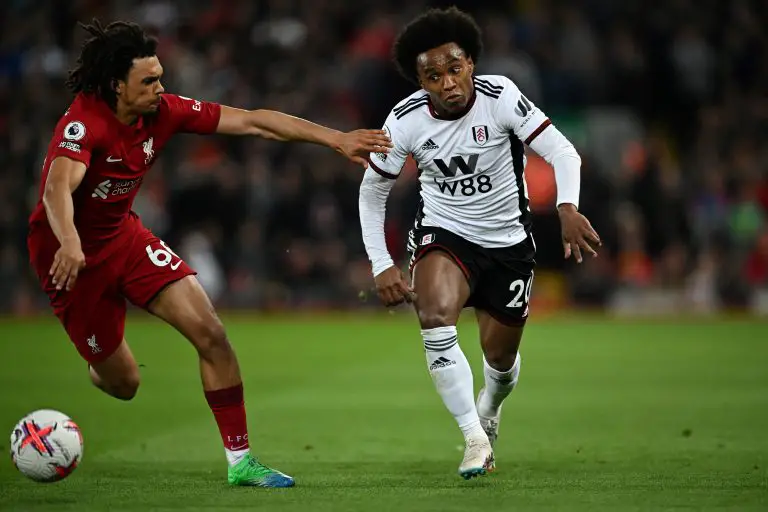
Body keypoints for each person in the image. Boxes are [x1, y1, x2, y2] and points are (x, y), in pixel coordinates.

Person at [27, 20, 392, 489]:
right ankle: (100, 361)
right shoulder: (84, 124)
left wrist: (335, 138)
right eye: (149, 81)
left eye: (161, 76)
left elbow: (255, 121)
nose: (162, 88)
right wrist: (72, 244)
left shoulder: (164, 111)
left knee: (212, 334)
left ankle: (241, 461)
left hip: (124, 240)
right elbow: (58, 187)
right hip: (67, 257)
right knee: (124, 384)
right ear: (117, 86)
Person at [358, 7, 600, 479]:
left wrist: (566, 207)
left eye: (454, 68)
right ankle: (473, 439)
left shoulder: (501, 96)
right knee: (433, 316)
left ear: (470, 62)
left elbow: (561, 151)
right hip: (444, 235)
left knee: (501, 362)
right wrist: (381, 263)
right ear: (420, 82)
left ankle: (489, 408)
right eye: (433, 75)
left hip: (509, 243)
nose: (447, 82)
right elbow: (372, 192)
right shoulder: (404, 120)